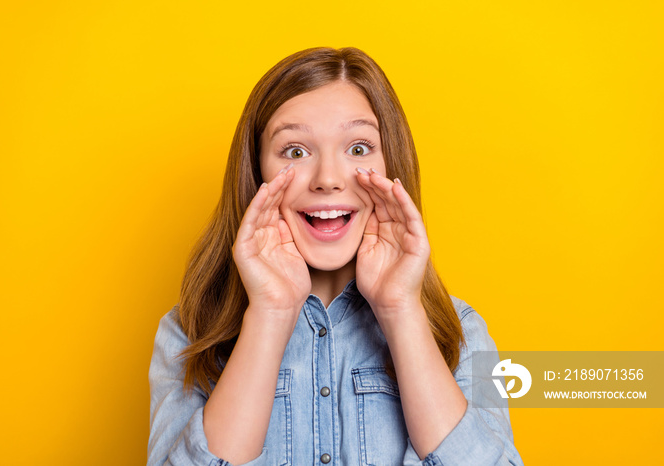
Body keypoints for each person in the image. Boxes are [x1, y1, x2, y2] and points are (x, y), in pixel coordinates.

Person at [148, 47, 523, 466]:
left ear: (391, 165)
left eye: (359, 149)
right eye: (295, 151)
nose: (327, 179)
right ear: (257, 174)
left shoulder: (463, 332)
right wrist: (270, 314)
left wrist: (400, 309)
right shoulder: (188, 333)